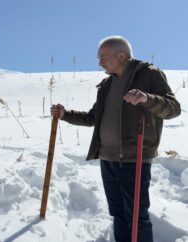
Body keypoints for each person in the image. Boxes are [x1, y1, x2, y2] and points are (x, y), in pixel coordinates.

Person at [51, 36, 180, 242]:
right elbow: (93, 117)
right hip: (108, 159)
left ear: (121, 56)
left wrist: (147, 99)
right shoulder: (106, 85)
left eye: (103, 57)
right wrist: (66, 114)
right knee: (118, 214)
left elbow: (173, 108)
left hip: (134, 158)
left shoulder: (148, 75)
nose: (100, 62)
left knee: (137, 217)